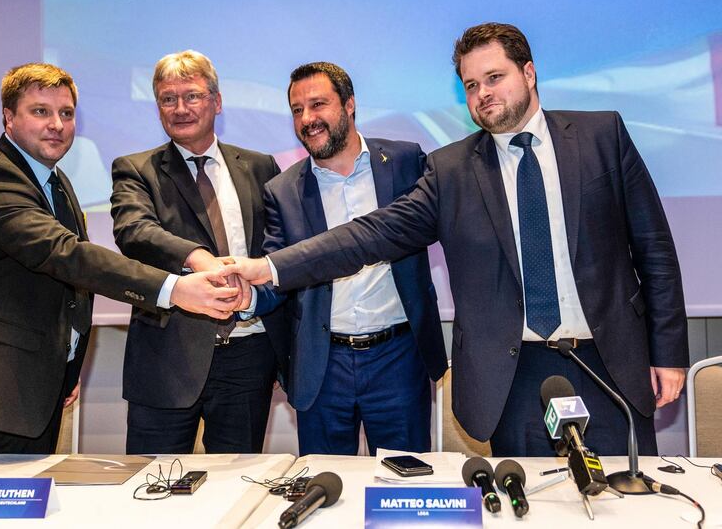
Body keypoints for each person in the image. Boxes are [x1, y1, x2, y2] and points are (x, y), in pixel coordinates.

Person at [225, 23, 689, 456]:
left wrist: (668, 354)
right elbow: (372, 233)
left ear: (528, 73)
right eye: (471, 85)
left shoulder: (601, 135)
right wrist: (268, 268)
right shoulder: (450, 170)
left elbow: (655, 251)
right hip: (512, 374)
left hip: (608, 361)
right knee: (523, 508)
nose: (483, 93)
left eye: (494, 77)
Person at [0, 63, 238, 454]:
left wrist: (66, 358)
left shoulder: (53, 179)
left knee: (33, 507)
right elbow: (66, 256)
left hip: (35, 380)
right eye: (40, 111)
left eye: (66, 113)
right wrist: (174, 288)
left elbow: (66, 286)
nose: (57, 125)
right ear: (9, 118)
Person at [252, 62, 447, 455]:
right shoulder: (282, 190)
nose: (307, 119)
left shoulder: (407, 162)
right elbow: (277, 272)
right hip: (324, 366)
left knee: (404, 487)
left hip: (398, 358)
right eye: (296, 110)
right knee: (325, 489)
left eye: (318, 104)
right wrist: (247, 298)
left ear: (350, 104)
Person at [110, 50, 288, 454]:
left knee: (237, 488)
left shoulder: (260, 167)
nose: (180, 108)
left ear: (217, 101)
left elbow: (280, 252)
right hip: (166, 359)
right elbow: (134, 231)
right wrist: (198, 258)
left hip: (248, 354)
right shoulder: (136, 168)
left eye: (191, 96)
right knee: (152, 489)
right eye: (167, 99)